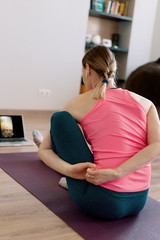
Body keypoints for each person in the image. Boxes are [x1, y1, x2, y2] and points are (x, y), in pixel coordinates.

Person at [38, 46, 160, 220]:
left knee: (60, 119)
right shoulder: (146, 103)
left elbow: (44, 150)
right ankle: (69, 178)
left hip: (103, 202)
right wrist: (118, 172)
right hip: (139, 200)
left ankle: (68, 178)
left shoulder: (78, 102)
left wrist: (70, 170)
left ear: (87, 69)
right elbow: (157, 145)